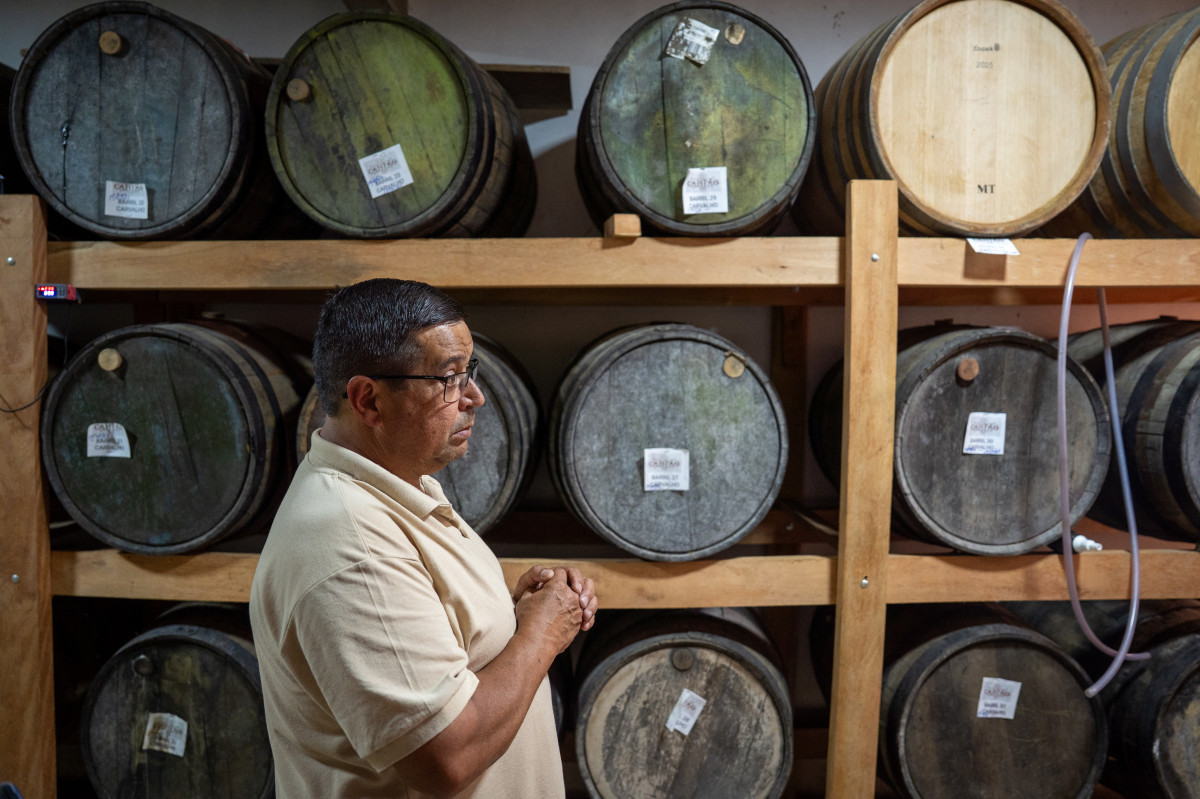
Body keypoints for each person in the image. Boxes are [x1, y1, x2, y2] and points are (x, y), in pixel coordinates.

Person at [249, 278, 598, 798]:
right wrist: (542, 634)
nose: (475, 396)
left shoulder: (396, 488)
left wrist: (512, 615)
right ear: (369, 400)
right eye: (450, 378)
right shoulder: (351, 544)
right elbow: (446, 757)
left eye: (469, 372)